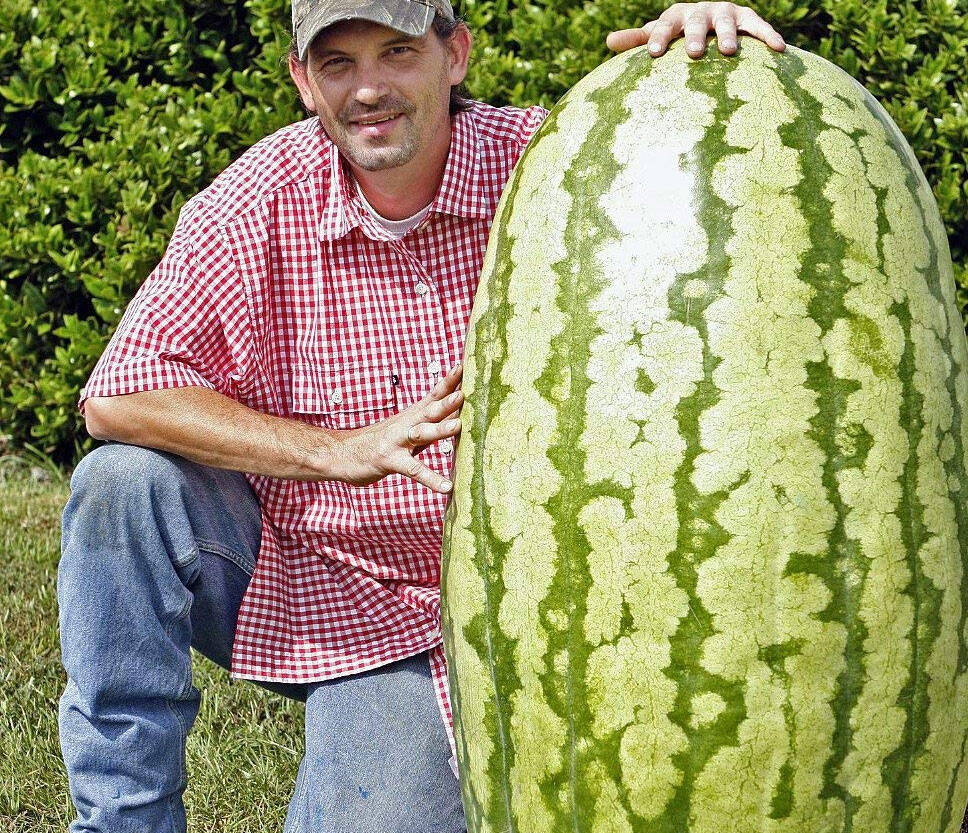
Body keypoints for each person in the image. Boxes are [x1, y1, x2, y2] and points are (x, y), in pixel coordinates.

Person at [57, 2, 785, 831]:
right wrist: (336, 450)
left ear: (456, 55)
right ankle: (124, 820)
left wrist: (702, 44)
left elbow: (715, 167)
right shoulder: (263, 196)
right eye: (337, 64)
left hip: (479, 614)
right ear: (303, 81)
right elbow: (118, 392)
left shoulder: (556, 166)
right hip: (309, 566)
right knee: (123, 484)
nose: (369, 88)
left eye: (397, 53)